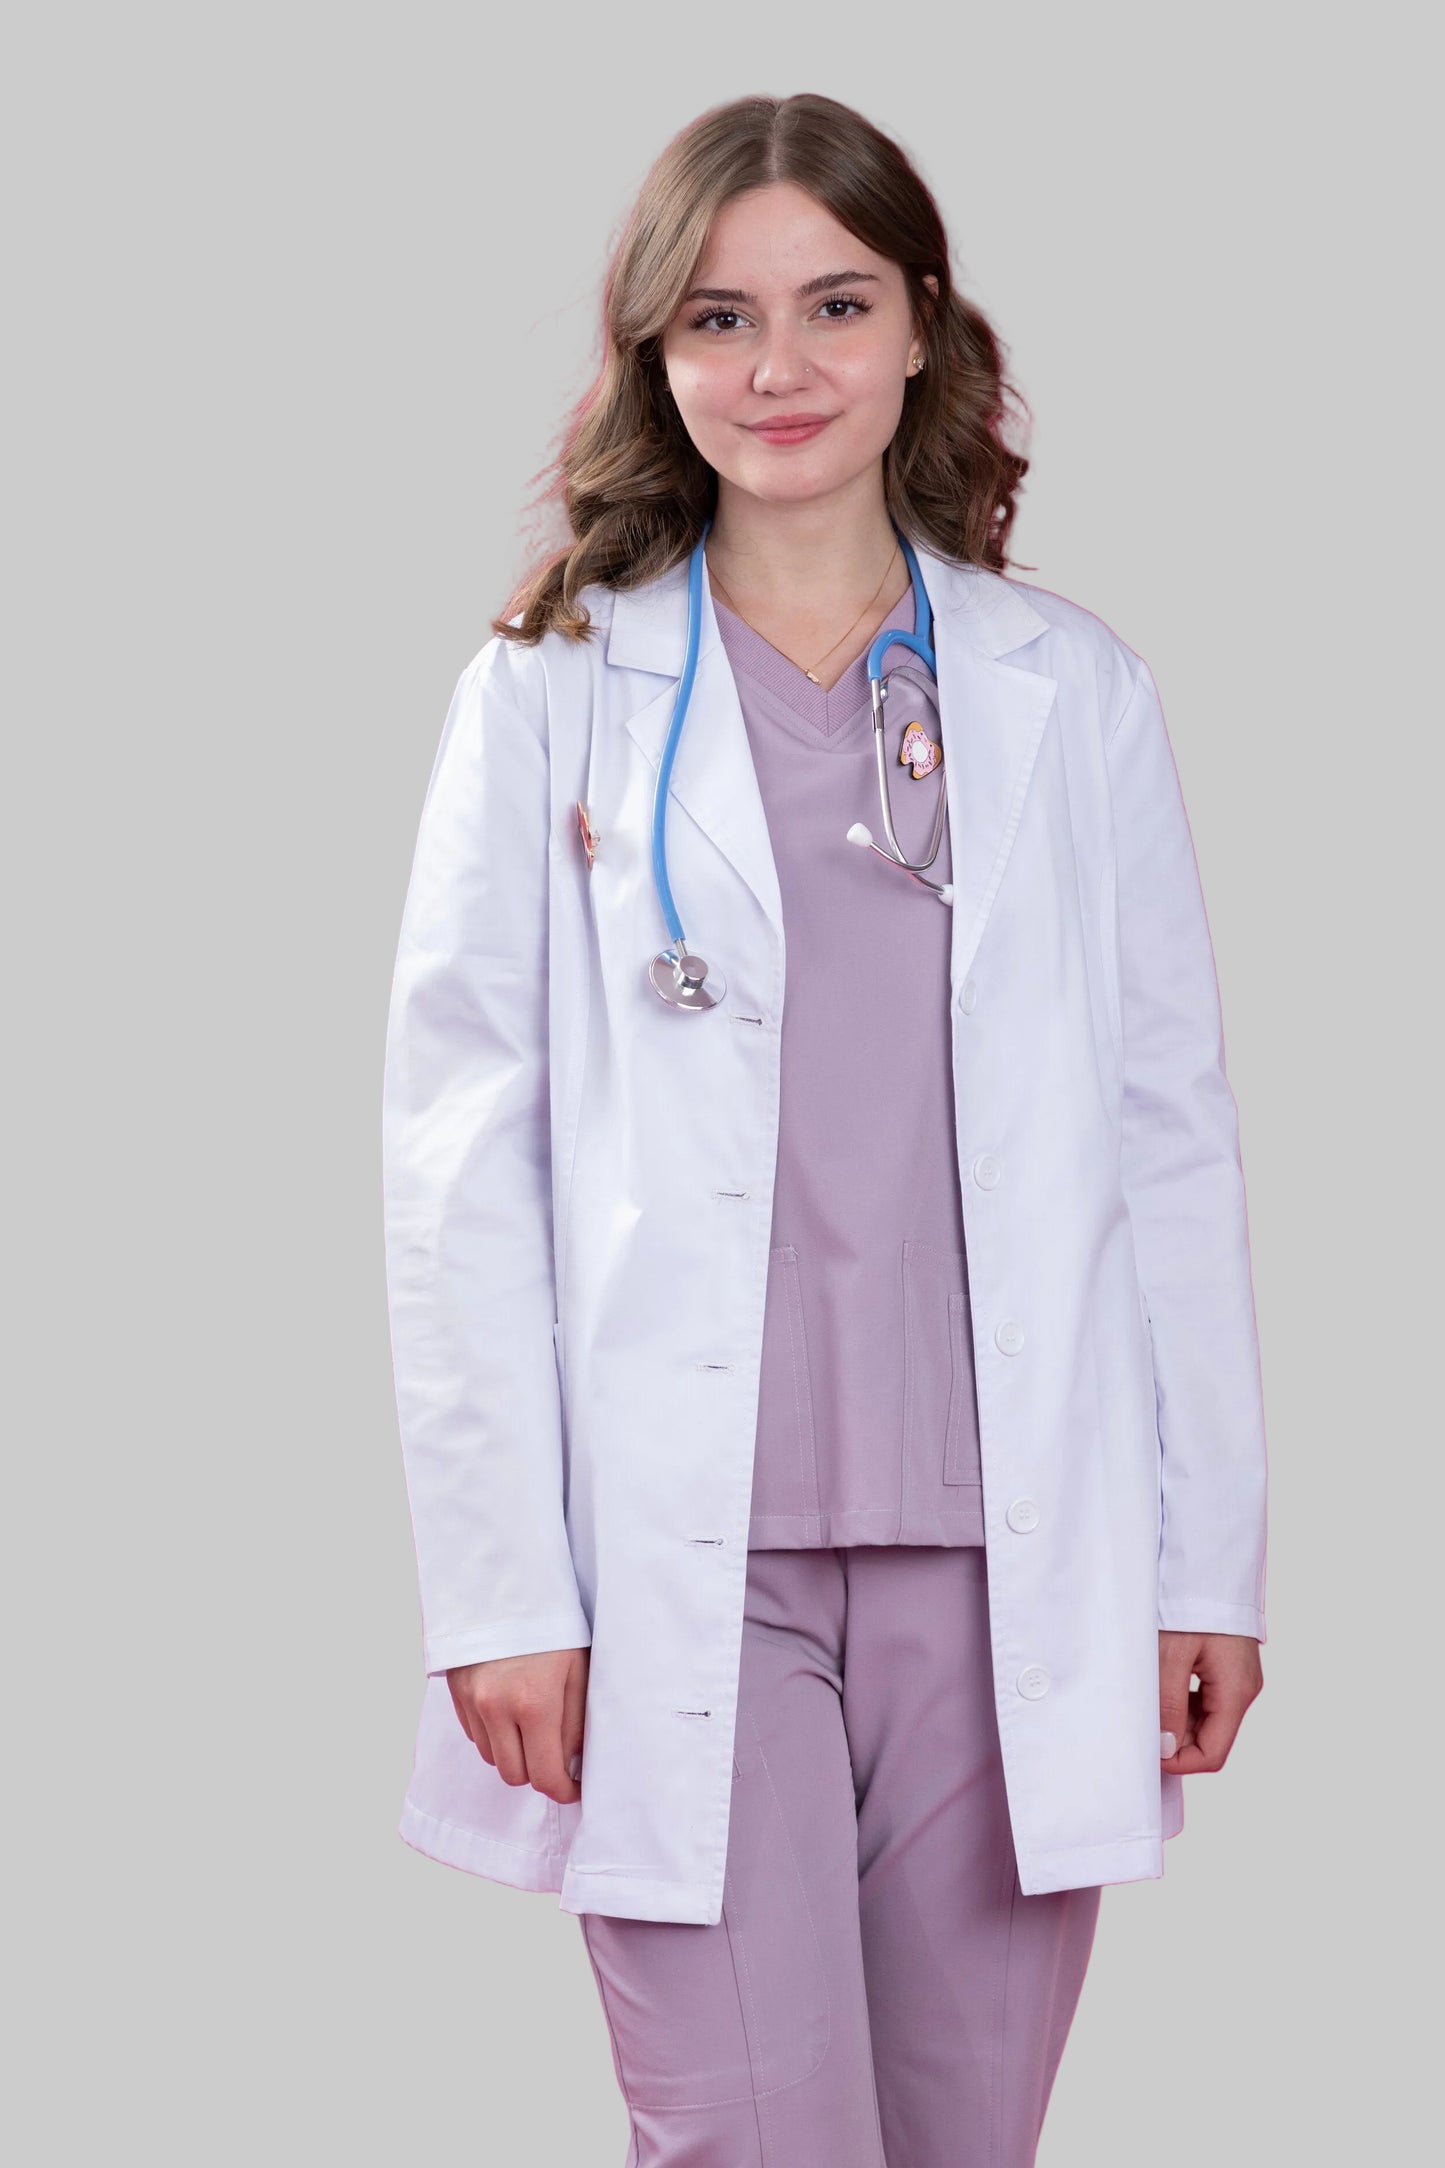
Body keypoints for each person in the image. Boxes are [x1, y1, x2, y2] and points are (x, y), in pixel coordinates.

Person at [382, 91, 1268, 2168]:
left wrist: (1206, 1552)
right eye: (716, 317)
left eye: (832, 306)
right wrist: (497, 1580)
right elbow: (456, 1161)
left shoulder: (1071, 692)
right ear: (650, 355)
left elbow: (1172, 1139)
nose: (776, 369)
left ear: (922, 328)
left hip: (1014, 1551)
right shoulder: (550, 693)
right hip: (682, 1552)